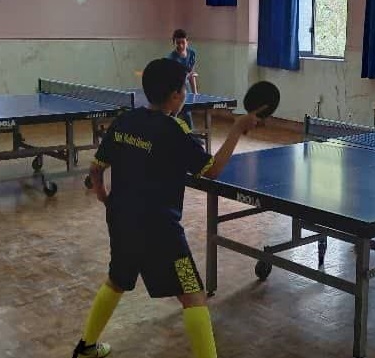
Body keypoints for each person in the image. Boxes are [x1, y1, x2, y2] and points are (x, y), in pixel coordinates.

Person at [71, 58, 263, 358]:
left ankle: (87, 347)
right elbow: (211, 170)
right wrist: (236, 129)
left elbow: (96, 169)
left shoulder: (124, 121)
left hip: (121, 220)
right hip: (162, 232)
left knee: (117, 280)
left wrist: (103, 196)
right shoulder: (175, 130)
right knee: (193, 293)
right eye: (184, 89)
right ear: (175, 95)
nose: (185, 93)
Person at [166, 29, 198, 129]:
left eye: (183, 42)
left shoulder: (192, 53)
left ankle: (189, 134)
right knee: (176, 113)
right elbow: (173, 78)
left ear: (187, 42)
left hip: (185, 86)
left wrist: (195, 93)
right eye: (178, 43)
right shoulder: (172, 58)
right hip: (174, 88)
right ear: (174, 43)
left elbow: (191, 74)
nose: (180, 45)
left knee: (186, 112)